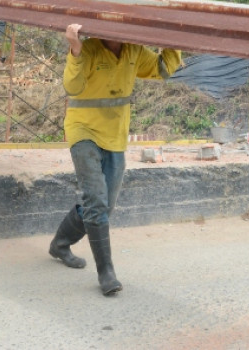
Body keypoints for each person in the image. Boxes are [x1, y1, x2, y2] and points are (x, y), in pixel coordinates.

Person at [48, 23, 182, 296]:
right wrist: (75, 49)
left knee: (103, 206)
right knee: (96, 202)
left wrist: (172, 38)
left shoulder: (134, 50)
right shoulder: (89, 49)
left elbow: (162, 70)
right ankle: (106, 273)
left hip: (115, 136)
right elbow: (72, 86)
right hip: (83, 132)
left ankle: (60, 244)